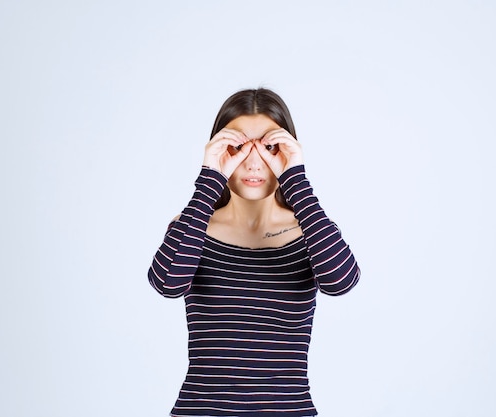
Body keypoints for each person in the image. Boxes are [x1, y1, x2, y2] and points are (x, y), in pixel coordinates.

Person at [148, 88, 361, 416]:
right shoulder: (193, 226)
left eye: (270, 147)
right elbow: (166, 284)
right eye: (236, 147)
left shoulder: (311, 229)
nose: (252, 162)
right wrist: (209, 180)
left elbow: (342, 282)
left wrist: (296, 181)